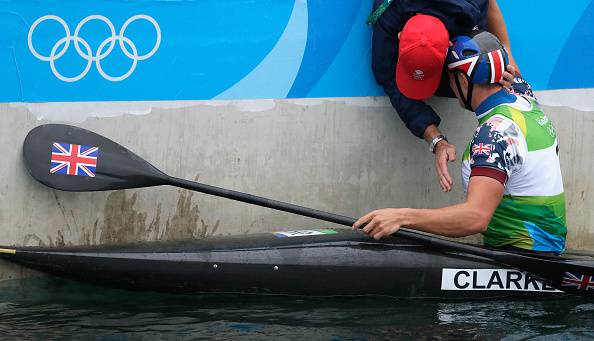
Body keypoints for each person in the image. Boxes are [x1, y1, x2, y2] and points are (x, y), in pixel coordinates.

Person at [355, 31, 566, 254]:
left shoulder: (495, 134)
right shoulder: (525, 96)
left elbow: (475, 218)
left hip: (521, 258)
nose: (452, 88)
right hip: (548, 249)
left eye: (451, 78)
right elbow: (502, 42)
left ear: (463, 80)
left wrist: (401, 217)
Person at [371, 0, 520, 192]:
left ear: (449, 46)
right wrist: (435, 139)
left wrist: (506, 54)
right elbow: (387, 76)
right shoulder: (388, 13)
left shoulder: (468, 10)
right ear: (400, 36)